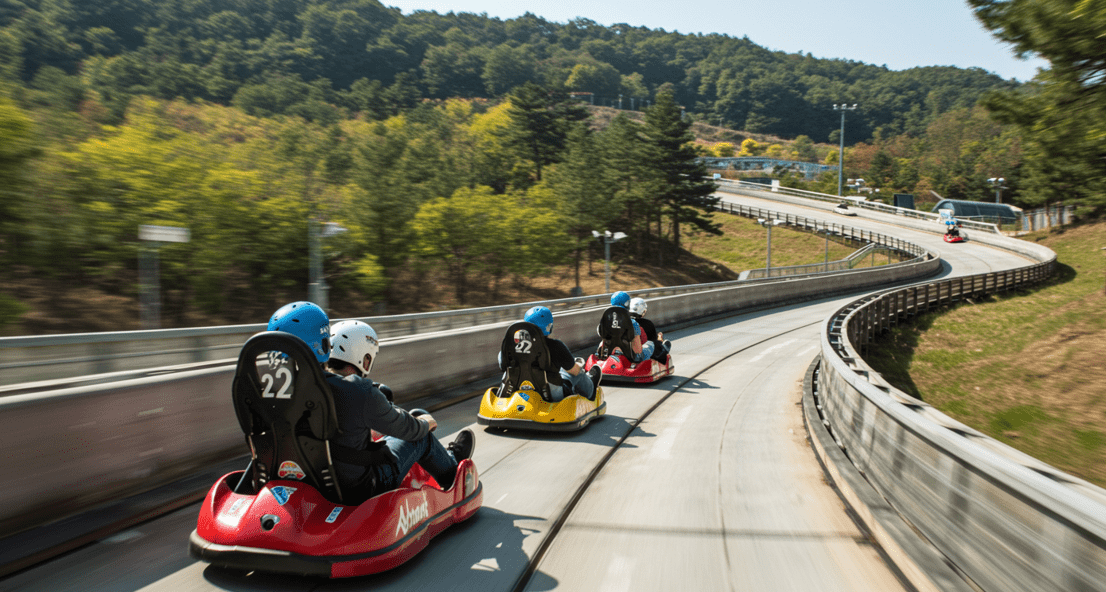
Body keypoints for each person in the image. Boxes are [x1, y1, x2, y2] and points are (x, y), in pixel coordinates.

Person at [267, 302, 474, 502]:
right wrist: (425, 423)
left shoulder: (271, 396)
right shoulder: (356, 390)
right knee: (421, 433)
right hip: (357, 489)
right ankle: (453, 470)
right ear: (322, 345)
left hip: (298, 481)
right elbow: (410, 430)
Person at [510, 305, 602, 402]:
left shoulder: (513, 346)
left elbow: (502, 364)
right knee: (577, 372)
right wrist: (579, 367)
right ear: (548, 326)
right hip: (551, 395)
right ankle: (591, 392)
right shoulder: (556, 346)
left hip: (519, 389)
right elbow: (574, 371)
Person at [609, 291, 653, 363]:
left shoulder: (606, 321)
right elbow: (638, 350)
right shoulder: (633, 323)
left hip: (610, 354)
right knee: (650, 344)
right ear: (627, 304)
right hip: (630, 358)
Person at [629, 297, 671, 361]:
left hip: (627, 353)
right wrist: (659, 339)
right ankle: (664, 348)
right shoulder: (647, 323)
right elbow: (653, 343)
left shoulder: (623, 322)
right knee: (658, 344)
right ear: (643, 311)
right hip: (642, 352)